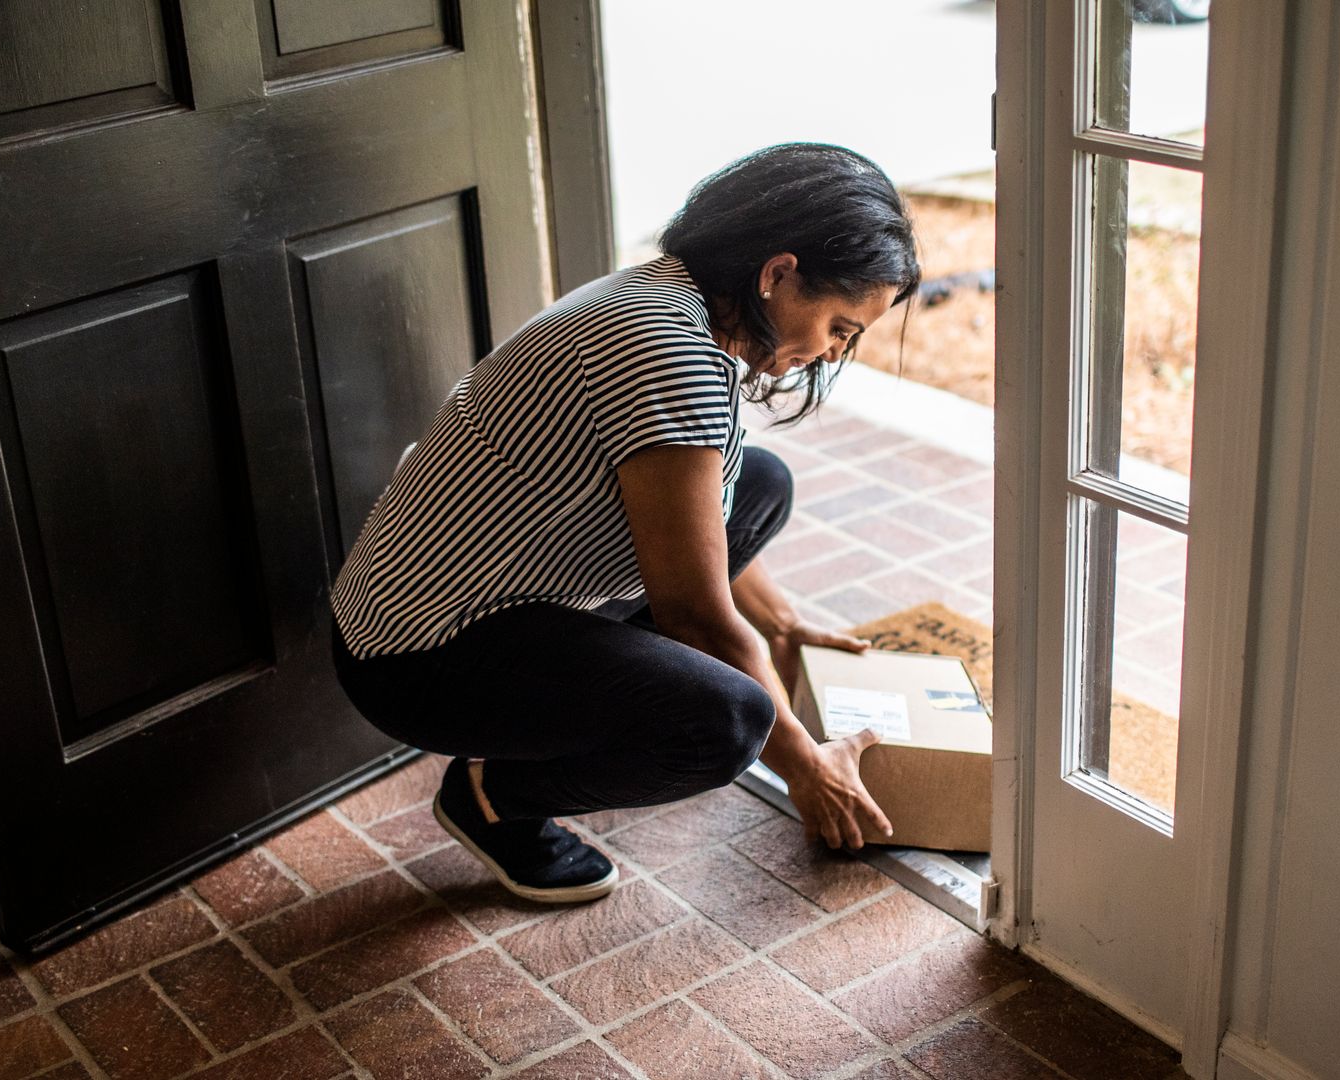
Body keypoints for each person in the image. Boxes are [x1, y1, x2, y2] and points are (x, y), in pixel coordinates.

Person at [328, 143, 922, 903]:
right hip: (414, 658)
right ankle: (493, 796)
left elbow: (705, 519)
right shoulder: (669, 354)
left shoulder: (665, 292)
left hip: (454, 594)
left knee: (761, 483)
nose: (833, 352)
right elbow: (697, 617)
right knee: (726, 723)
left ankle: (606, 695)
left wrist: (782, 623)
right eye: (841, 325)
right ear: (777, 274)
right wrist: (808, 769)